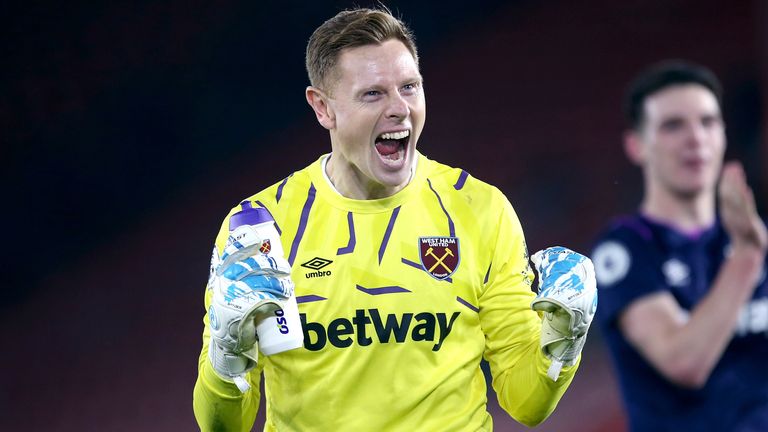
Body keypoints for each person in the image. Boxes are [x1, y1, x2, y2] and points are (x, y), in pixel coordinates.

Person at [193, 7, 597, 431]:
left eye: (410, 87)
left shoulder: (481, 209)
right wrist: (228, 350)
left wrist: (561, 344)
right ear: (323, 108)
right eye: (373, 94)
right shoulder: (262, 227)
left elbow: (526, 403)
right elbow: (222, 427)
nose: (400, 109)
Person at [591, 60, 768, 431]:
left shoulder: (753, 234)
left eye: (708, 122)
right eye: (673, 125)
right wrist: (746, 258)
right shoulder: (625, 250)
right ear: (637, 146)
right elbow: (684, 361)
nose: (696, 138)